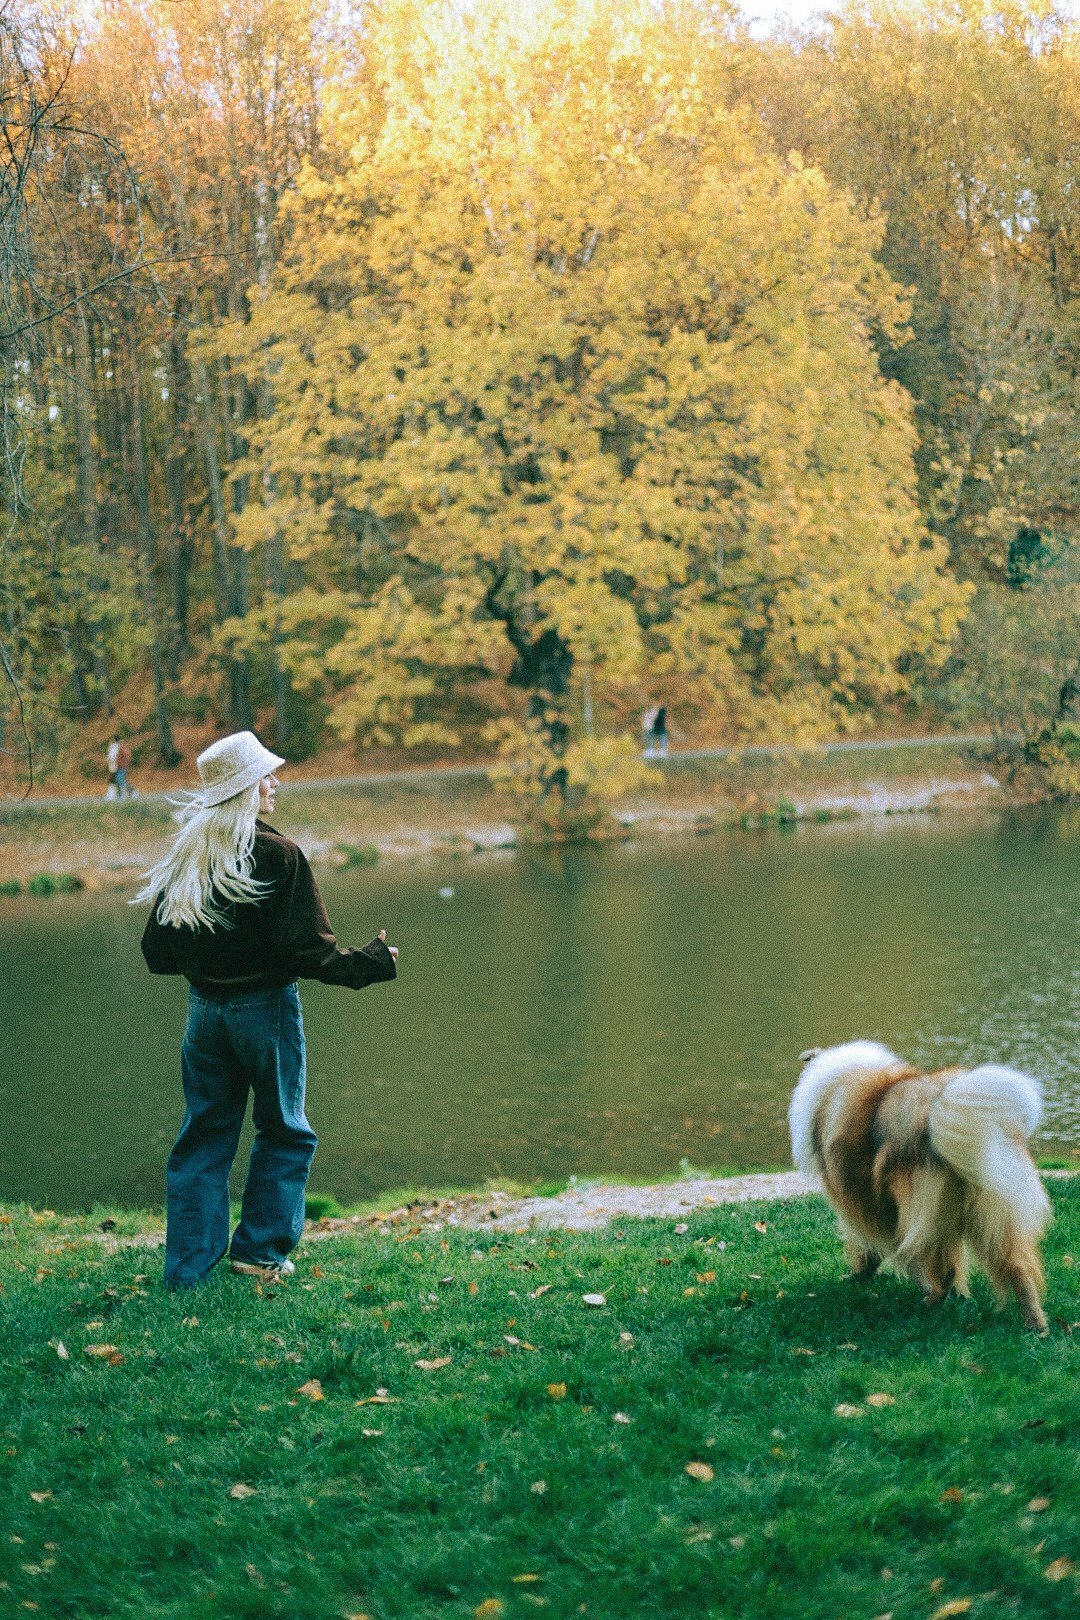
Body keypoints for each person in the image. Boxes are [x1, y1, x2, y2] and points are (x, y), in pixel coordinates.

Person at [135, 730, 398, 1290]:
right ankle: (258, 1255)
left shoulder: (190, 853)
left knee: (204, 1137)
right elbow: (311, 954)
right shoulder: (280, 855)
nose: (275, 783)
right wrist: (371, 962)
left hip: (203, 1017)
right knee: (284, 1130)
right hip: (266, 1014)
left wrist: (211, 961)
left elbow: (157, 952)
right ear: (244, 789)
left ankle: (187, 1271)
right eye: (264, 776)